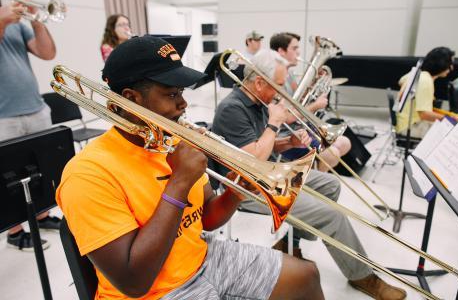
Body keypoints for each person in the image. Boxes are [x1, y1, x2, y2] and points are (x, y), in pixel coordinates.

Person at [56, 35, 324, 300]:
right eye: (172, 94)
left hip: (202, 258)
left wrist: (235, 192)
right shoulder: (87, 173)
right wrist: (179, 182)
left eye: (182, 92)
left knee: (306, 275)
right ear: (131, 98)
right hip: (155, 293)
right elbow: (134, 282)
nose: (183, 104)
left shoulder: (171, 140)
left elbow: (207, 218)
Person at [211, 49, 407, 300]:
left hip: (271, 174)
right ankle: (363, 276)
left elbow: (262, 145)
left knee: (330, 185)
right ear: (259, 82)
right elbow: (252, 160)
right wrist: (274, 123)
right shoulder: (232, 109)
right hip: (246, 188)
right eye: (279, 85)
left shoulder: (258, 102)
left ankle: (289, 244)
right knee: (331, 216)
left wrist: (288, 142)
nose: (282, 92)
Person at [0, 0, 61, 251]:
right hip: (4, 116)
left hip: (35, 108)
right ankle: (14, 231)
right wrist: (2, 21)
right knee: (8, 176)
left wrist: (36, 19)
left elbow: (47, 53)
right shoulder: (5, 22)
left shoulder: (17, 26)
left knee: (41, 169)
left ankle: (43, 215)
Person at [270, 32, 351, 171]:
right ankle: (317, 180)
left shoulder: (288, 73)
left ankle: (317, 173)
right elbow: (286, 118)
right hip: (286, 136)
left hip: (301, 128)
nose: (299, 52)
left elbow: (300, 99)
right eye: (294, 48)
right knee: (333, 155)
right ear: (281, 51)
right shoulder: (275, 77)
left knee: (345, 143)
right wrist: (315, 105)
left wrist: (315, 82)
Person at [396, 47, 456, 138]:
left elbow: (401, 81)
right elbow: (424, 114)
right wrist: (451, 119)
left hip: (400, 123)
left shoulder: (416, 74)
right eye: (450, 64)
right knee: (452, 133)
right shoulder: (426, 81)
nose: (451, 68)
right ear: (442, 64)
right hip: (410, 127)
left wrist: (450, 115)